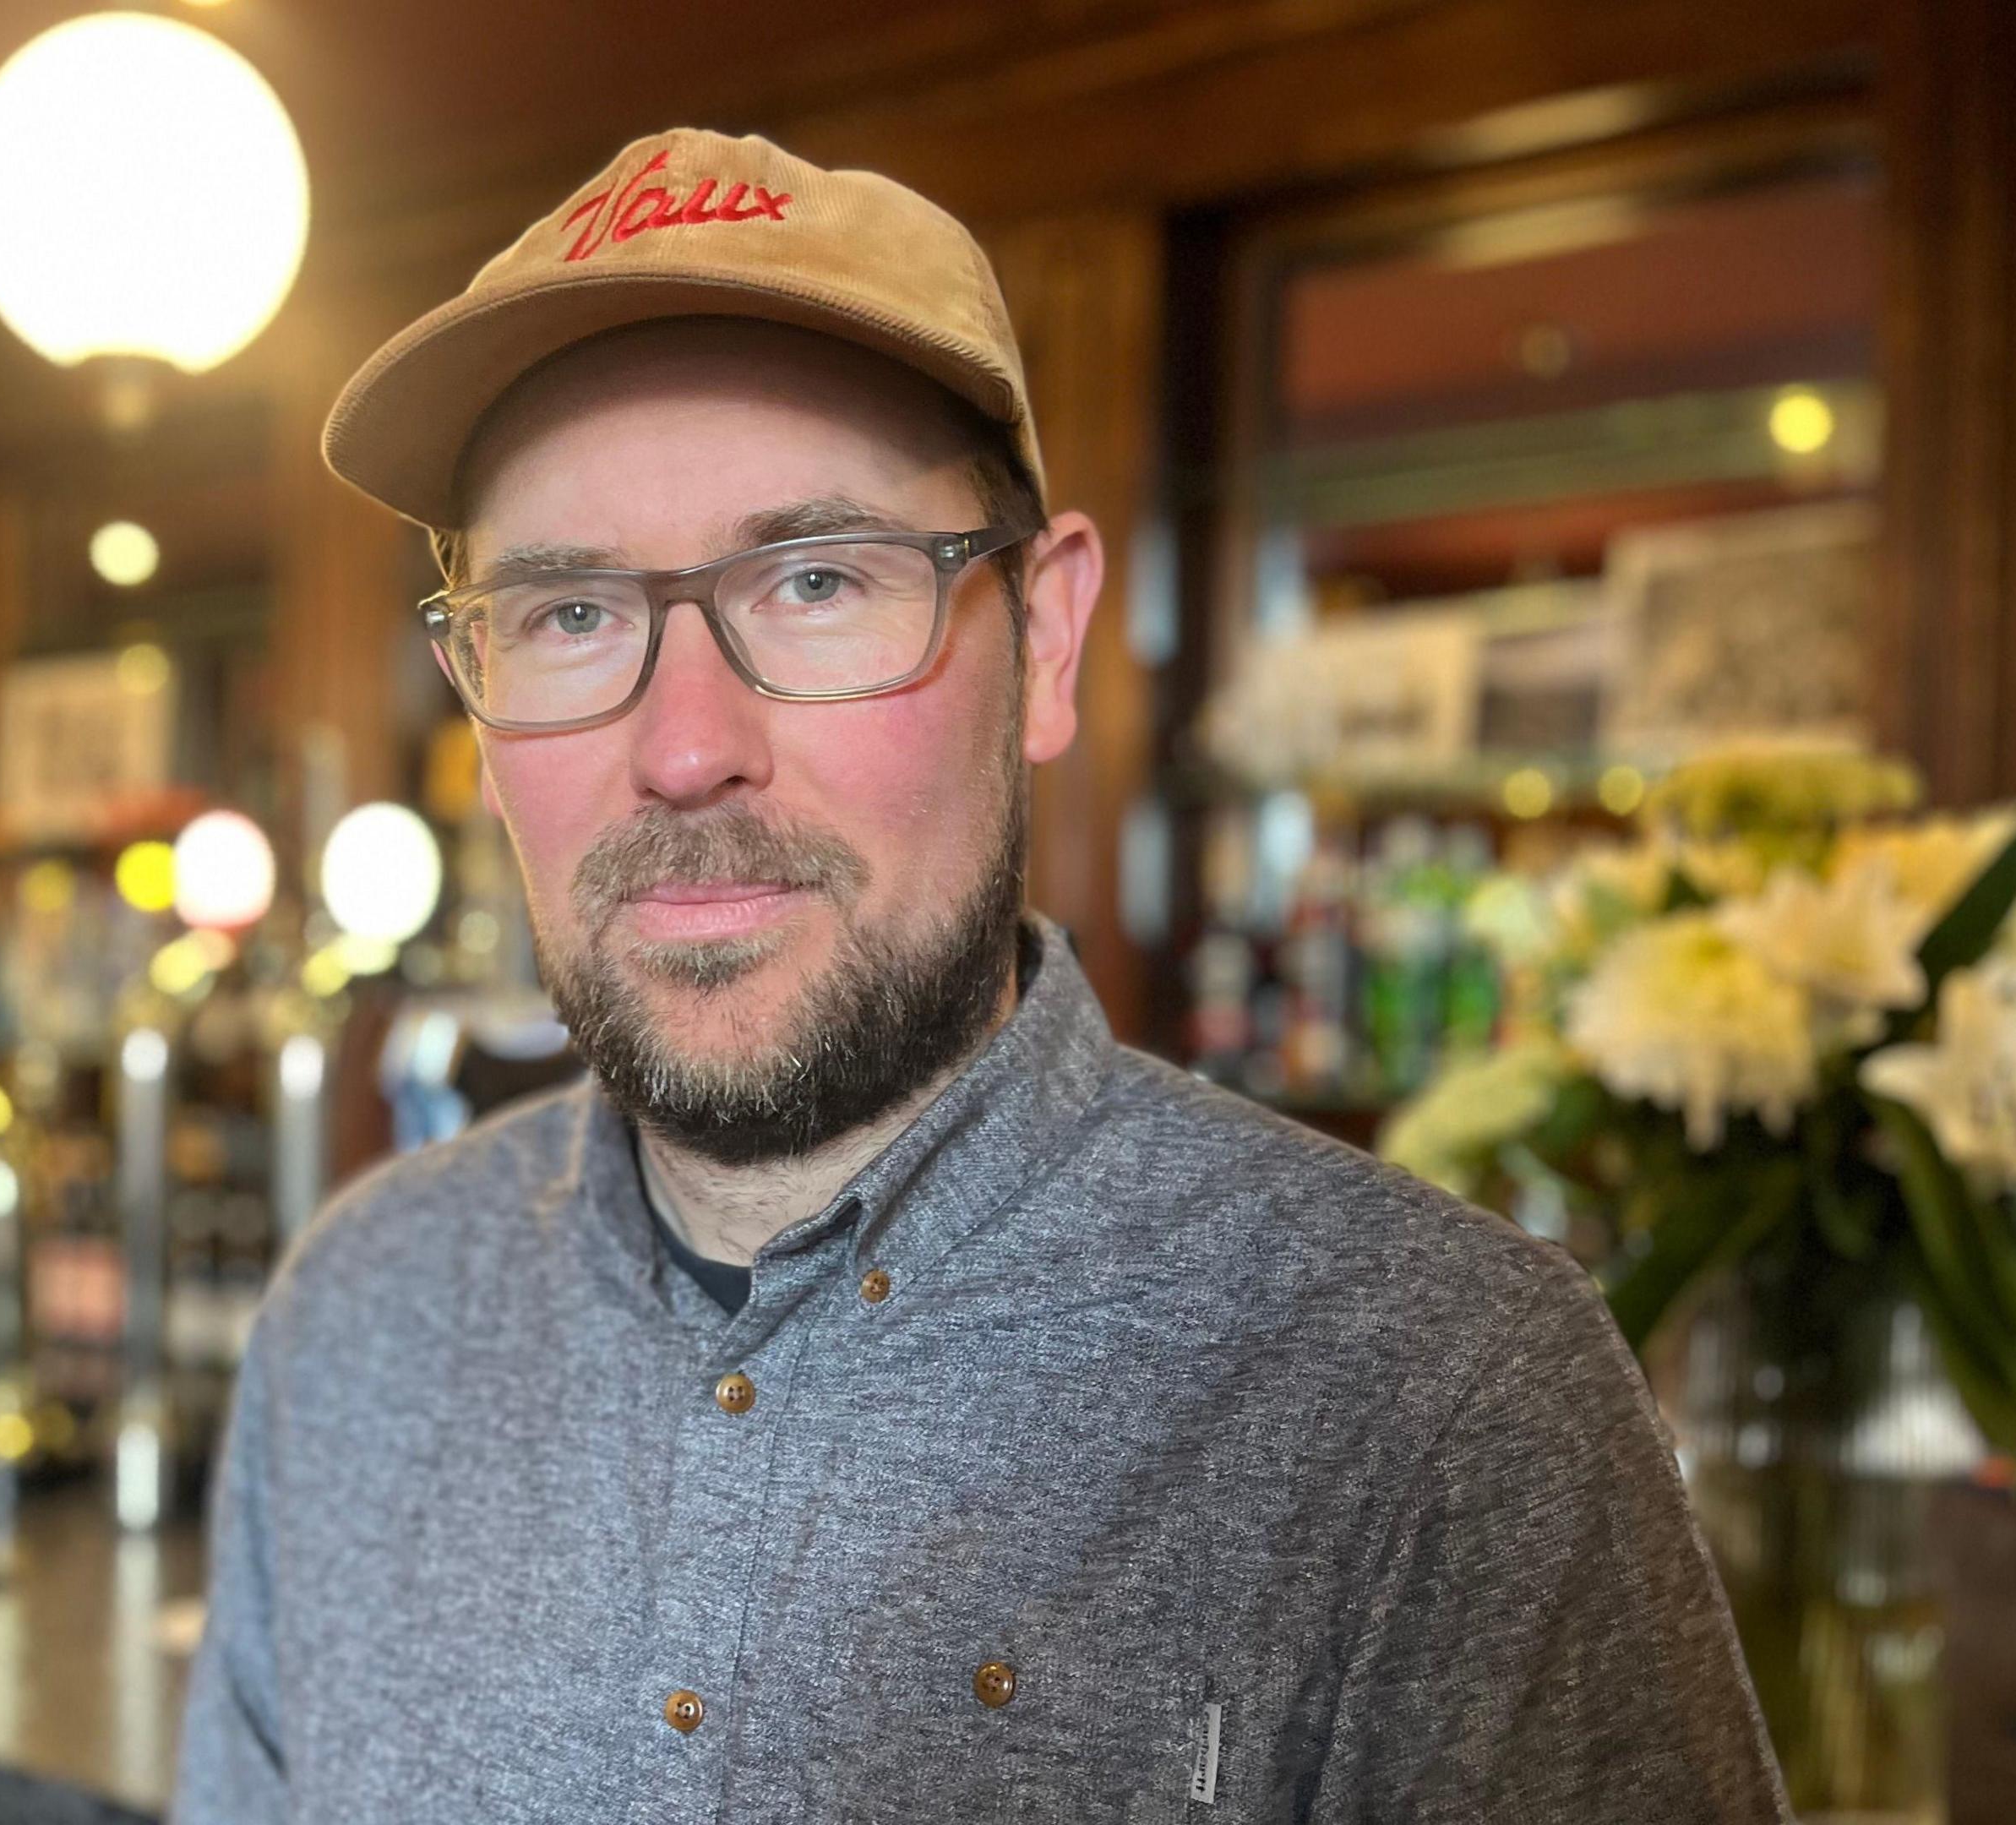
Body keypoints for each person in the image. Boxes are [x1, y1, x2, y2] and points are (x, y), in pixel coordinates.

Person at [174, 128, 1788, 1824]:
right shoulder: (353, 1327)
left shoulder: (1439, 1397)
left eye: (814, 581)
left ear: (1047, 640)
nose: (686, 749)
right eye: (570, 614)